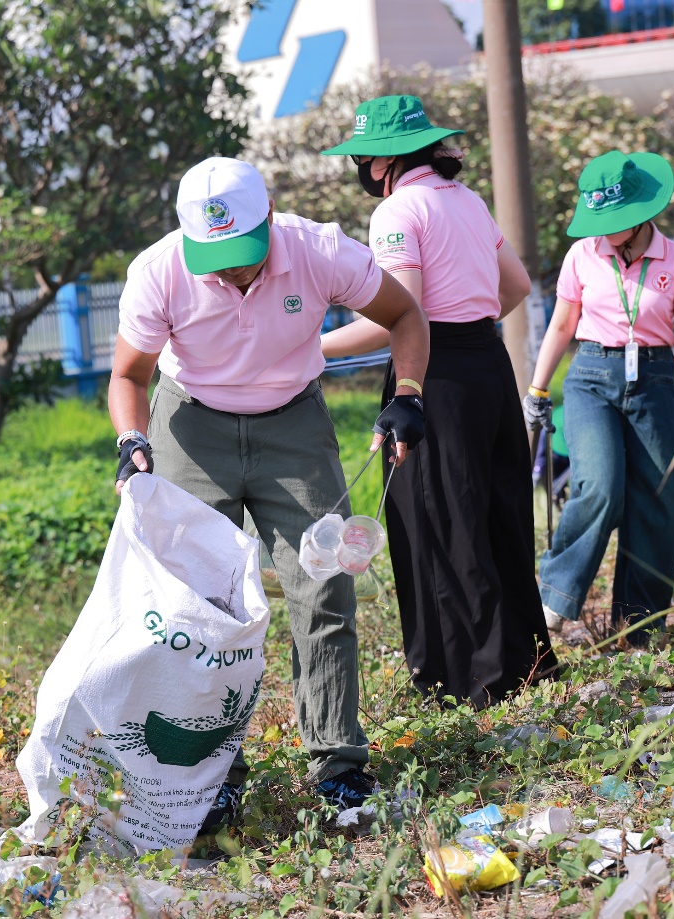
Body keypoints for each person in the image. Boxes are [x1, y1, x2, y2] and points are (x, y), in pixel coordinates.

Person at [109, 156, 430, 828]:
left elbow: (404, 313)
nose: (227, 270)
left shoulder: (319, 252)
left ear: (269, 217)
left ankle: (339, 769)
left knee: (323, 588)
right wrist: (130, 441)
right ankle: (212, 780)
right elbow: (128, 376)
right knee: (197, 609)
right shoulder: (160, 270)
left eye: (240, 253)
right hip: (191, 426)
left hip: (293, 425)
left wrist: (407, 395)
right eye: (214, 256)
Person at [318, 94, 557, 706]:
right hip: (488, 364)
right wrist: (470, 323)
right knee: (499, 514)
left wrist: (313, 350)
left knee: (439, 525)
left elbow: (399, 319)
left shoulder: (398, 211)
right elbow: (518, 285)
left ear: (379, 163)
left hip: (434, 376)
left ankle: (466, 681)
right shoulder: (468, 201)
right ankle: (526, 664)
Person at [522, 150, 674, 643]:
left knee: (662, 498)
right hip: (591, 375)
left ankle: (636, 628)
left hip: (656, 379)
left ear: (641, 215)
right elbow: (561, 324)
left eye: (614, 219)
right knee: (600, 485)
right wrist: (537, 389)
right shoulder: (582, 255)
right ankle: (552, 600)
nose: (604, 229)